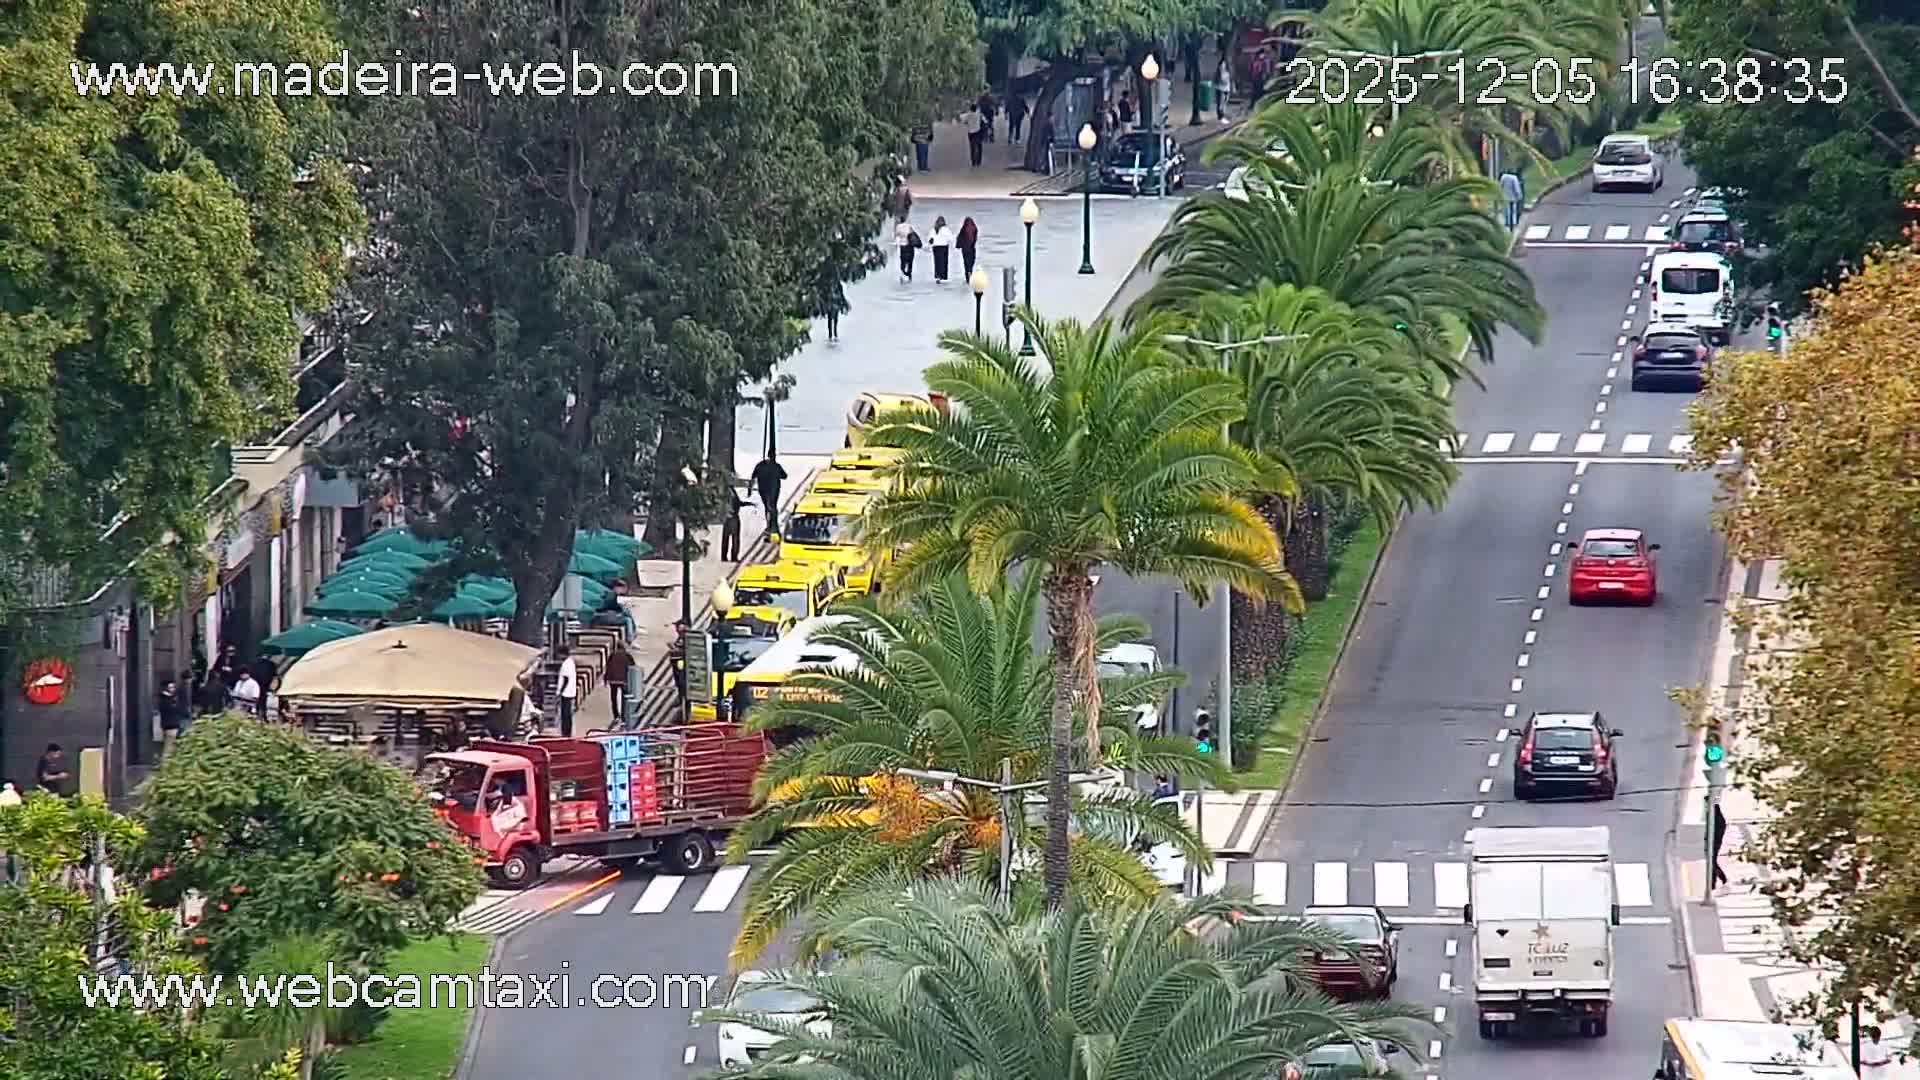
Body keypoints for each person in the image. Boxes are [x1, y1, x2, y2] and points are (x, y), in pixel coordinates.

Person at [751, 455, 787, 538]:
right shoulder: (776, 466)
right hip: (773, 490)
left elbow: (753, 476)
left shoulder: (760, 465)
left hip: (763, 490)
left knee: (768, 507)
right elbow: (784, 476)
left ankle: (769, 525)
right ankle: (773, 527)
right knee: (772, 507)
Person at [157, 678, 186, 757]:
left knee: (170, 747)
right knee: (169, 748)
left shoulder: (165, 698)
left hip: (169, 725)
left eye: (173, 687)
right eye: (171, 687)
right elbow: (174, 710)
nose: (173, 689)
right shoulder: (167, 700)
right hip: (171, 725)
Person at [606, 645, 634, 724]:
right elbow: (633, 666)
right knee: (624, 698)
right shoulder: (627, 655)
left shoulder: (612, 655)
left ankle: (616, 716)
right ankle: (624, 715)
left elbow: (608, 666)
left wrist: (606, 678)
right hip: (623, 680)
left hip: (613, 680)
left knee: (613, 699)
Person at [555, 647, 578, 737]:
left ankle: (566, 733)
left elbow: (565, 679)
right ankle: (567, 732)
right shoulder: (570, 662)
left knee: (565, 716)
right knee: (567, 715)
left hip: (566, 693)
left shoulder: (566, 664)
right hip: (570, 692)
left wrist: (560, 692)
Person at [1710, 801, 1730, 889]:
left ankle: (1720, 879)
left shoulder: (1715, 818)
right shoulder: (1718, 818)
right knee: (1712, 861)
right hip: (1715, 841)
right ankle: (1714, 882)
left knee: (1712, 862)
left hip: (1714, 841)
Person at [930, 216, 953, 283]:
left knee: (937, 262)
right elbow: (950, 238)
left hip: (935, 247)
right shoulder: (946, 229)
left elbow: (930, 238)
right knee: (944, 262)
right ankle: (943, 276)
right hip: (944, 247)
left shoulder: (933, 229)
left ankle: (937, 275)